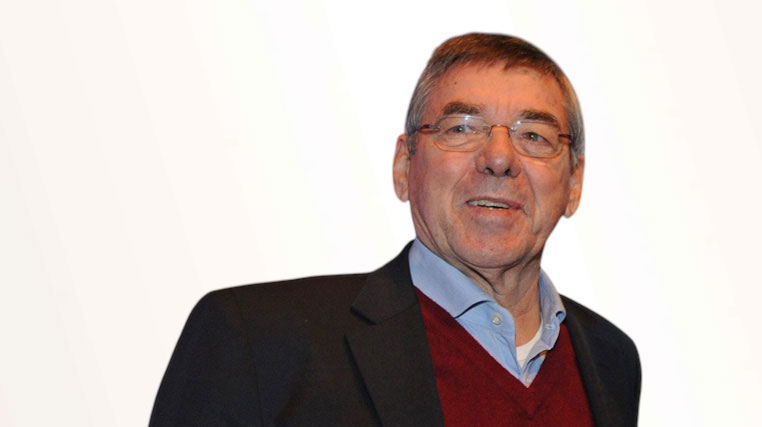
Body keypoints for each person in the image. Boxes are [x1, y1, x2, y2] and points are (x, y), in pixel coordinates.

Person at [150, 33, 641, 427]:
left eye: (534, 135)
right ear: (405, 166)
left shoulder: (610, 360)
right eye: (461, 128)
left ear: (573, 183)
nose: (498, 157)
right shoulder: (257, 343)